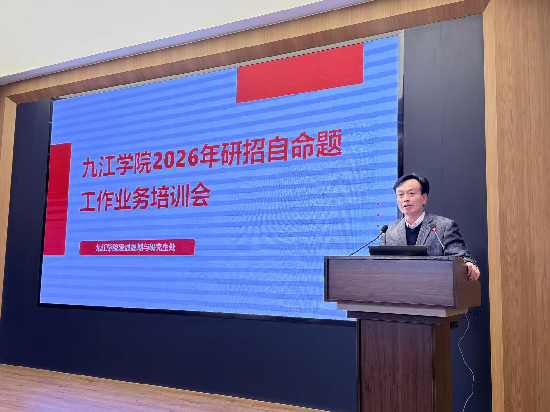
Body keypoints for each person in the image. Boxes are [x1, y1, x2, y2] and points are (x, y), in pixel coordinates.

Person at [379, 173, 480, 281]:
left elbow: (460, 256)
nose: (405, 199)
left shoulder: (444, 226)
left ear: (424, 198)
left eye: (411, 193)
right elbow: (379, 265)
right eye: (400, 195)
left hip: (436, 286)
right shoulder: (388, 232)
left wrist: (467, 263)